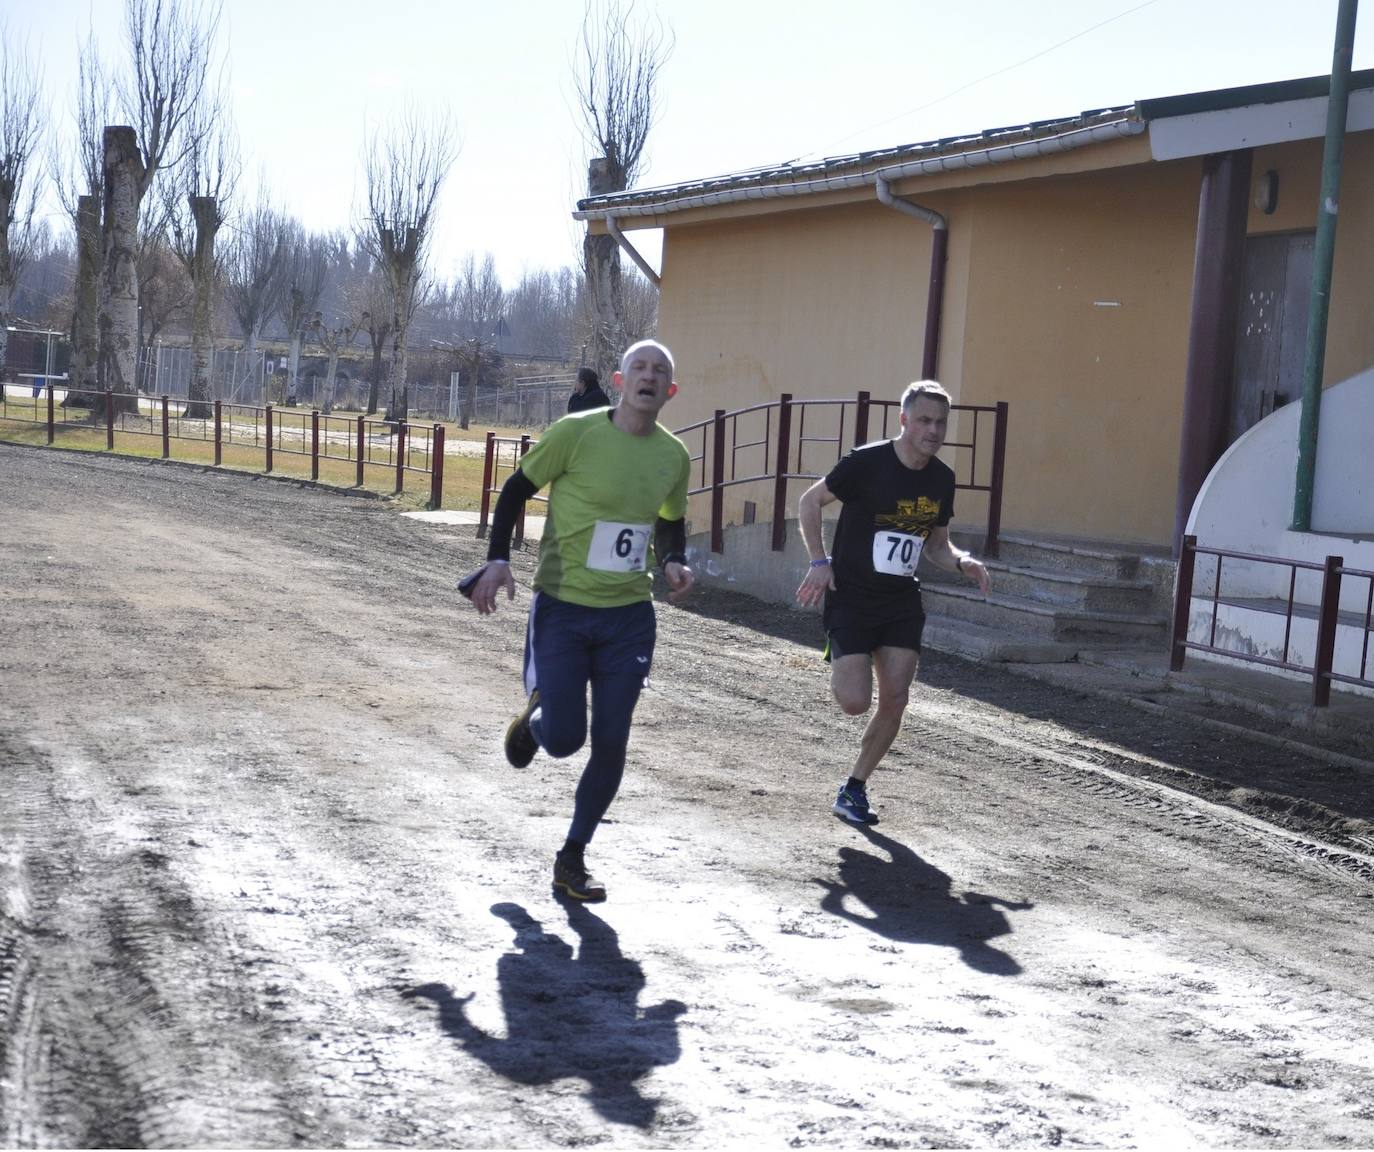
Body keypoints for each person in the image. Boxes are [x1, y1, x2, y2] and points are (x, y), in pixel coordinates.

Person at [461, 340, 693, 902]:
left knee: (611, 741)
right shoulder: (577, 432)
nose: (649, 376)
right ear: (619, 380)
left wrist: (673, 559)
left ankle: (573, 857)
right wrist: (498, 559)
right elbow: (516, 490)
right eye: (639, 367)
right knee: (567, 740)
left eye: (660, 371)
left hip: (629, 618)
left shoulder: (674, 456)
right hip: (563, 607)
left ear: (671, 390)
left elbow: (670, 519)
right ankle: (535, 725)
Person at [795, 380, 991, 826]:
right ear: (903, 420)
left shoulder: (942, 479)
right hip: (851, 599)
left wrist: (963, 563)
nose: (933, 429)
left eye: (941, 422)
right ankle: (842, 651)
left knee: (896, 697)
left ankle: (854, 788)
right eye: (924, 420)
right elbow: (809, 501)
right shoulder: (866, 463)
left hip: (901, 600)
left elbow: (937, 545)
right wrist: (818, 561)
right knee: (854, 702)